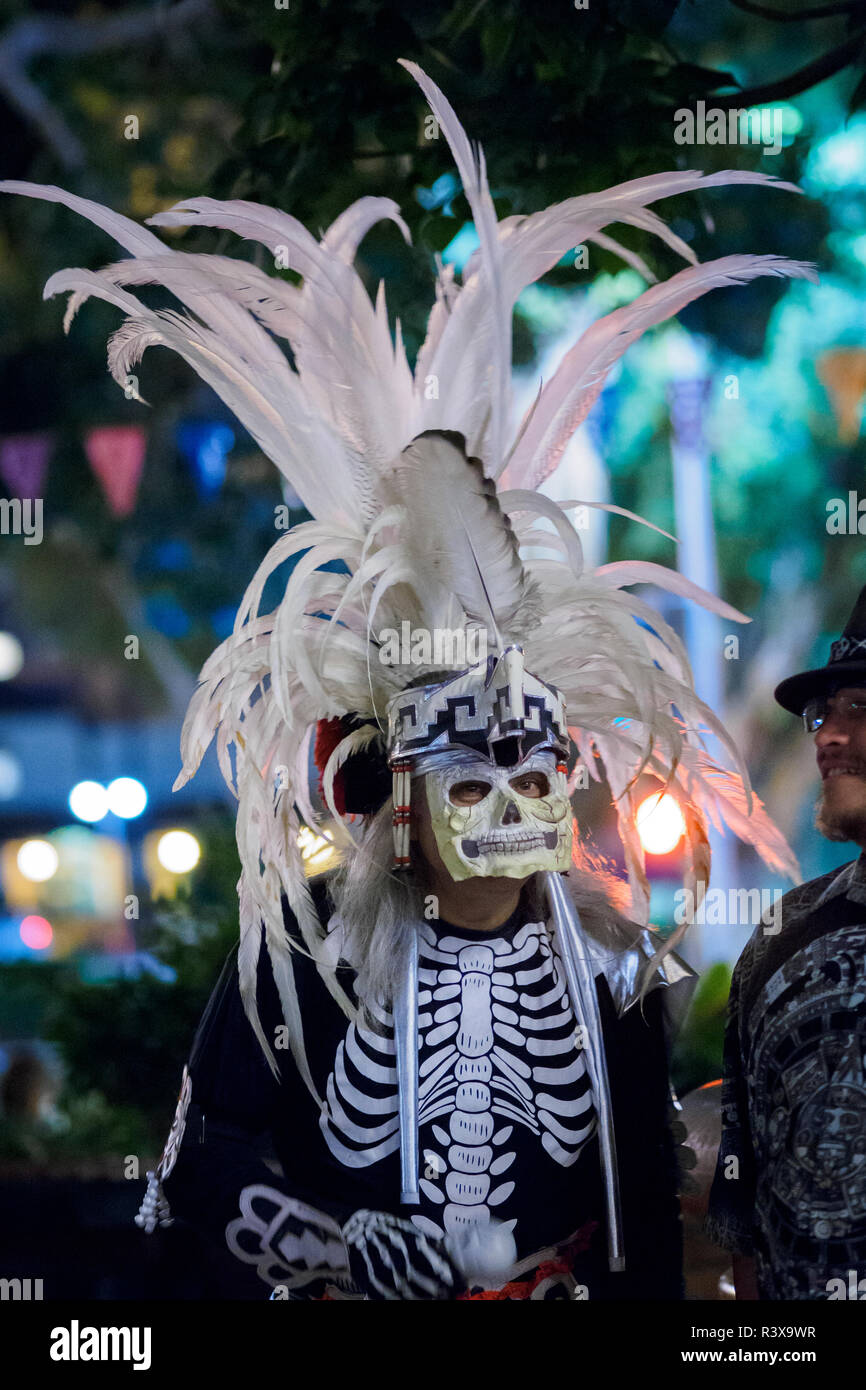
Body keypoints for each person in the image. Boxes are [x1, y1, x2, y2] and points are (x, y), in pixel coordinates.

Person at [3, 61, 804, 1300]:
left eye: (538, 767)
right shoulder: (300, 962)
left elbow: (642, 1210)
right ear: (396, 798)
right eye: (476, 773)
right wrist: (325, 1249)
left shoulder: (611, 981)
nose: (517, 799)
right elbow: (196, 1183)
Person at [707, 585, 866, 1300]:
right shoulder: (779, 939)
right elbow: (745, 1220)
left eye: (860, 707)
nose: (828, 735)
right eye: (823, 711)